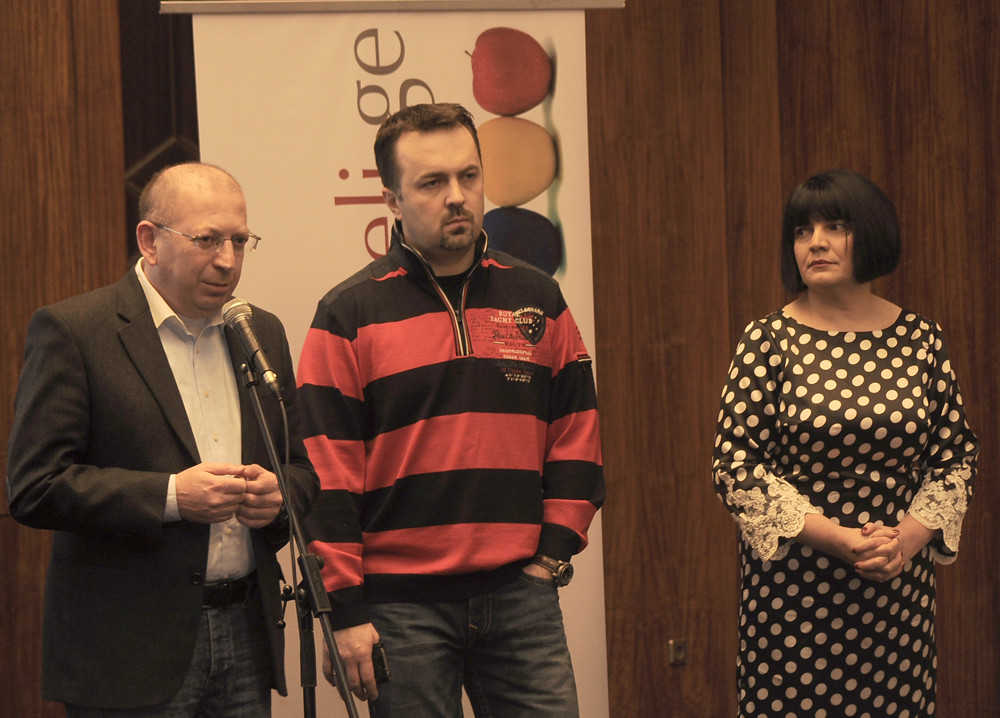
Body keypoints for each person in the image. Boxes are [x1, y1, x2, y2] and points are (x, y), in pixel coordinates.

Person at [297, 103, 604, 717]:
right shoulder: (347, 315)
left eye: (469, 176)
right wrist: (345, 609)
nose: (457, 197)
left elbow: (577, 435)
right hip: (399, 612)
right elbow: (326, 477)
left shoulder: (537, 296)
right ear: (391, 199)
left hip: (521, 596)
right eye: (432, 183)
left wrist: (550, 556)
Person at [6, 162, 319, 717]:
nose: (227, 261)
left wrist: (278, 497)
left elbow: (299, 469)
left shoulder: (258, 331)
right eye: (207, 240)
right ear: (149, 241)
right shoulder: (76, 331)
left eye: (239, 241)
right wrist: (173, 497)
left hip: (246, 629)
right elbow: (35, 487)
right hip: (130, 646)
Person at [712, 168, 978, 717]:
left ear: (871, 232)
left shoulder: (922, 340)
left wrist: (905, 541)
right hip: (793, 597)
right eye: (802, 230)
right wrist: (838, 540)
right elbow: (736, 467)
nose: (816, 242)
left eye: (835, 226)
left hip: (898, 593)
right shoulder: (768, 340)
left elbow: (956, 459)